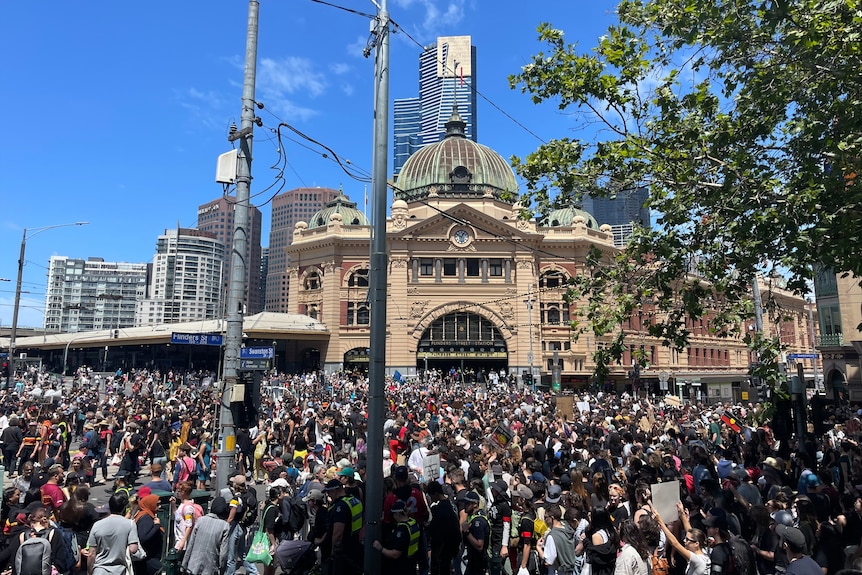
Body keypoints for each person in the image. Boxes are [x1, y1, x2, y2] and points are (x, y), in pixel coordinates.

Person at [86, 493, 141, 575]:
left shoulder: (97, 525)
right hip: (119, 570)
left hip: (100, 570)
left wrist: (89, 572)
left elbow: (91, 554)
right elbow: (133, 549)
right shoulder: (129, 524)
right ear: (124, 508)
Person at [655, 502, 710, 575]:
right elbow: (690, 531)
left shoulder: (697, 560)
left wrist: (661, 522)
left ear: (696, 544)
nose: (684, 540)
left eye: (687, 540)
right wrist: (682, 514)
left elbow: (675, 543)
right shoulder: (703, 550)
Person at [181, 496, 231, 575]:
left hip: (193, 566)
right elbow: (223, 553)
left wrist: (184, 564)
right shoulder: (225, 526)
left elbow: (191, 544)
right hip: (210, 567)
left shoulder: (200, 520)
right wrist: (222, 569)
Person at [325, 477, 364, 575]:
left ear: (335, 491)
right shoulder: (355, 501)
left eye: (329, 492)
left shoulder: (340, 507)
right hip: (356, 545)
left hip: (343, 551)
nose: (328, 495)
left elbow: (338, 533)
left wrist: (333, 552)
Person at [373, 500, 420, 575]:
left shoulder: (401, 531)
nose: (393, 517)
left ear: (397, 514)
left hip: (400, 568)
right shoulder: (413, 523)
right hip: (411, 564)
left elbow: (395, 554)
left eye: (393, 515)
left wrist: (380, 548)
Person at [425, 480, 461, 575]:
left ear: (436, 493)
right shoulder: (451, 504)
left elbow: (434, 529)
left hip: (442, 547)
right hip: (451, 545)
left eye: (431, 496)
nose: (431, 498)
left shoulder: (439, 509)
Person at [536, 504, 577, 575]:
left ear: (552, 518)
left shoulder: (552, 536)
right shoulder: (568, 529)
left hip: (559, 571)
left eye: (546, 518)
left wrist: (538, 548)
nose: (544, 520)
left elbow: (548, 561)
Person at [133, 494, 164, 575]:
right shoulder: (146, 518)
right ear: (150, 504)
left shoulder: (147, 515)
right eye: (157, 504)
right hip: (149, 560)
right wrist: (156, 526)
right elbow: (143, 537)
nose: (159, 507)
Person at [461, 490, 490, 575]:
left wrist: (467, 532)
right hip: (473, 561)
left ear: (475, 504)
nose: (465, 506)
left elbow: (479, 545)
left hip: (479, 563)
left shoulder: (478, 521)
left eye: (467, 503)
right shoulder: (472, 517)